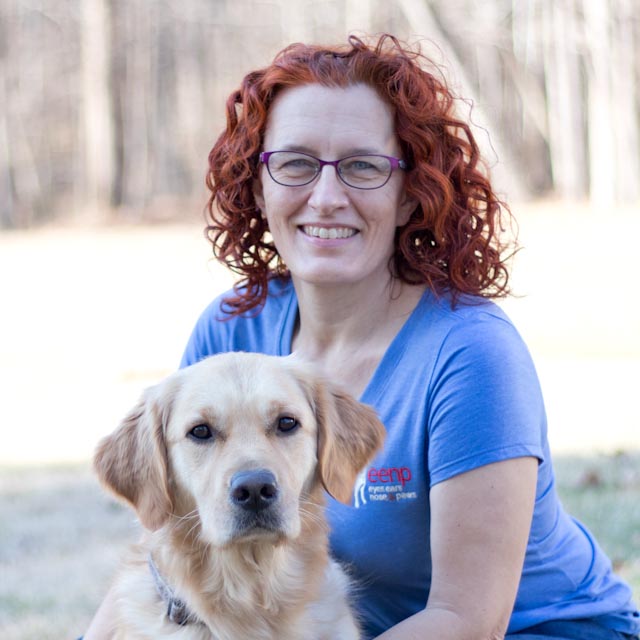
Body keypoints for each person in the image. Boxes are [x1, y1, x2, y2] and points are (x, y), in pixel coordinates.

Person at [85, 34, 640, 640]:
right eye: (295, 164)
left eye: (363, 166)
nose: (326, 197)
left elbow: (469, 621)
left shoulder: (470, 354)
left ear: (411, 195)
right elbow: (159, 555)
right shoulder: (230, 328)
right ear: (258, 185)